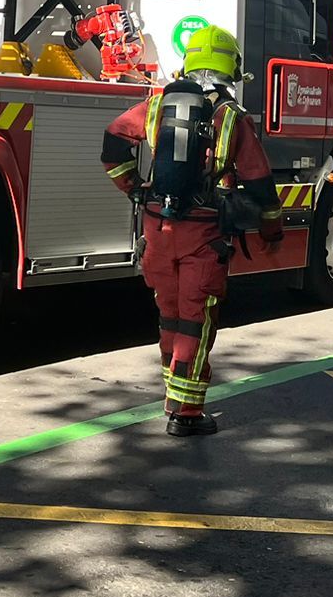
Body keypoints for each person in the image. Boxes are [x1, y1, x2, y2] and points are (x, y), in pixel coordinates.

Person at [101, 23, 282, 436]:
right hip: (203, 236)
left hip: (158, 230)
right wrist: (271, 232)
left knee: (170, 317)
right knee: (197, 321)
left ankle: (173, 397)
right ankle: (186, 414)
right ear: (229, 67)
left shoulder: (158, 104)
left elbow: (113, 143)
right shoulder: (231, 117)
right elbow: (259, 183)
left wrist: (134, 188)